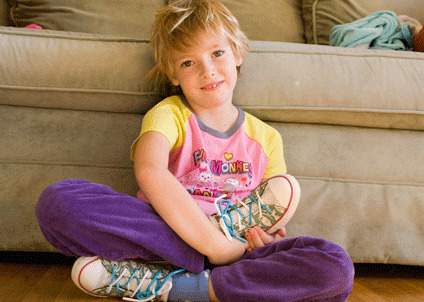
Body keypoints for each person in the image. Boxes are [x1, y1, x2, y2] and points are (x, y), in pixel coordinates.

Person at [36, 0, 354, 301]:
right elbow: (150, 171)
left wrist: (265, 241)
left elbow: (274, 213)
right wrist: (213, 245)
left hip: (237, 253)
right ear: (173, 74)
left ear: (238, 53)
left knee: (335, 266)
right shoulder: (170, 114)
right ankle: (200, 255)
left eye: (217, 53)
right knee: (58, 203)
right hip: (175, 235)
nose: (207, 70)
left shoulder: (267, 137)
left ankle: (181, 287)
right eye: (188, 62)